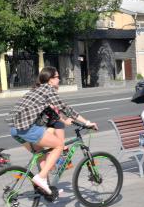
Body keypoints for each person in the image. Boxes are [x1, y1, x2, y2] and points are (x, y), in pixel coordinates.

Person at [6, 66, 97, 195]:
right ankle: (41, 177)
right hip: (27, 128)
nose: (59, 79)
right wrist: (87, 122)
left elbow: (51, 111)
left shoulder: (38, 90)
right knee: (59, 145)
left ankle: (45, 187)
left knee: (40, 154)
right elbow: (65, 108)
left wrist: (65, 121)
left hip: (15, 129)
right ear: (50, 80)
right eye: (57, 77)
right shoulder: (48, 90)